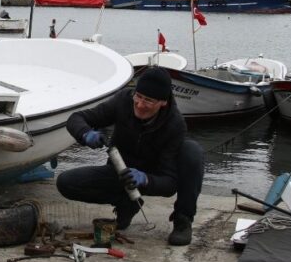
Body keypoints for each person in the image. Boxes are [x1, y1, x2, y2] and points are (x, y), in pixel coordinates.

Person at [57, 66, 205, 246]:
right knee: (66, 182)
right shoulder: (123, 101)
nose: (140, 105)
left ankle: (183, 220)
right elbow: (76, 118)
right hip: (120, 170)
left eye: (148, 101)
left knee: (192, 151)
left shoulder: (175, 124)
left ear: (163, 102)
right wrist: (85, 134)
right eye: (139, 97)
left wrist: (145, 179)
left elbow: (169, 184)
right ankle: (126, 204)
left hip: (150, 177)